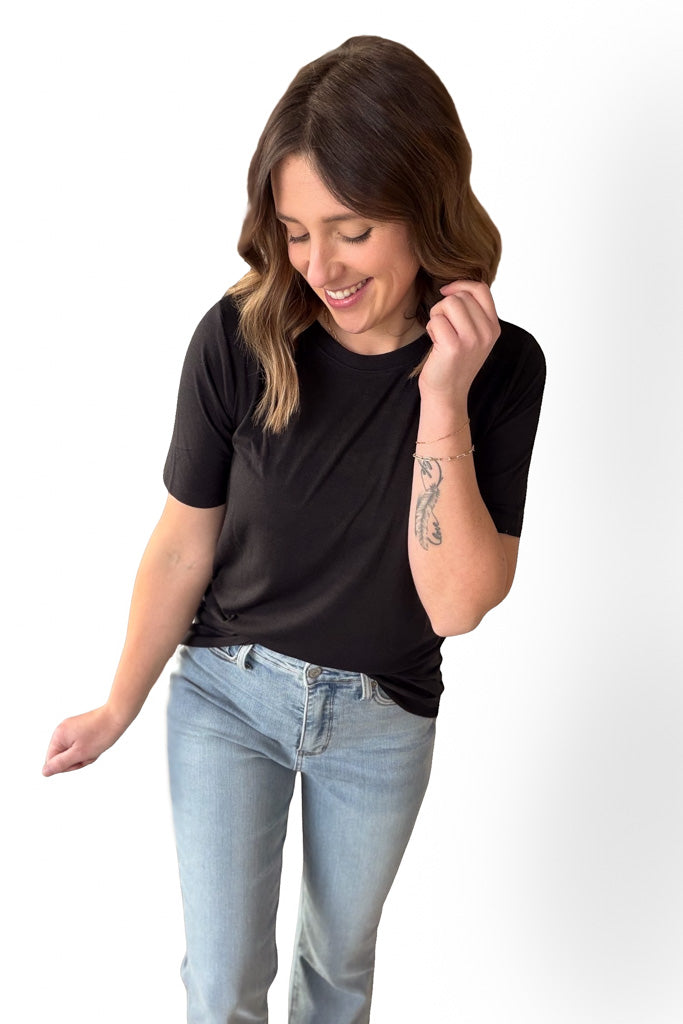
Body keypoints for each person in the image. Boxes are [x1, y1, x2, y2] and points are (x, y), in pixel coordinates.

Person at [43, 34, 545, 1024]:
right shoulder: (237, 340)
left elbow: (454, 601)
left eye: (349, 229)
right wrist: (117, 705)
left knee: (337, 976)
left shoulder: (500, 368)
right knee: (224, 982)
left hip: (380, 720)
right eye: (294, 230)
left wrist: (439, 401)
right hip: (229, 699)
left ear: (423, 204)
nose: (318, 264)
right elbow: (184, 540)